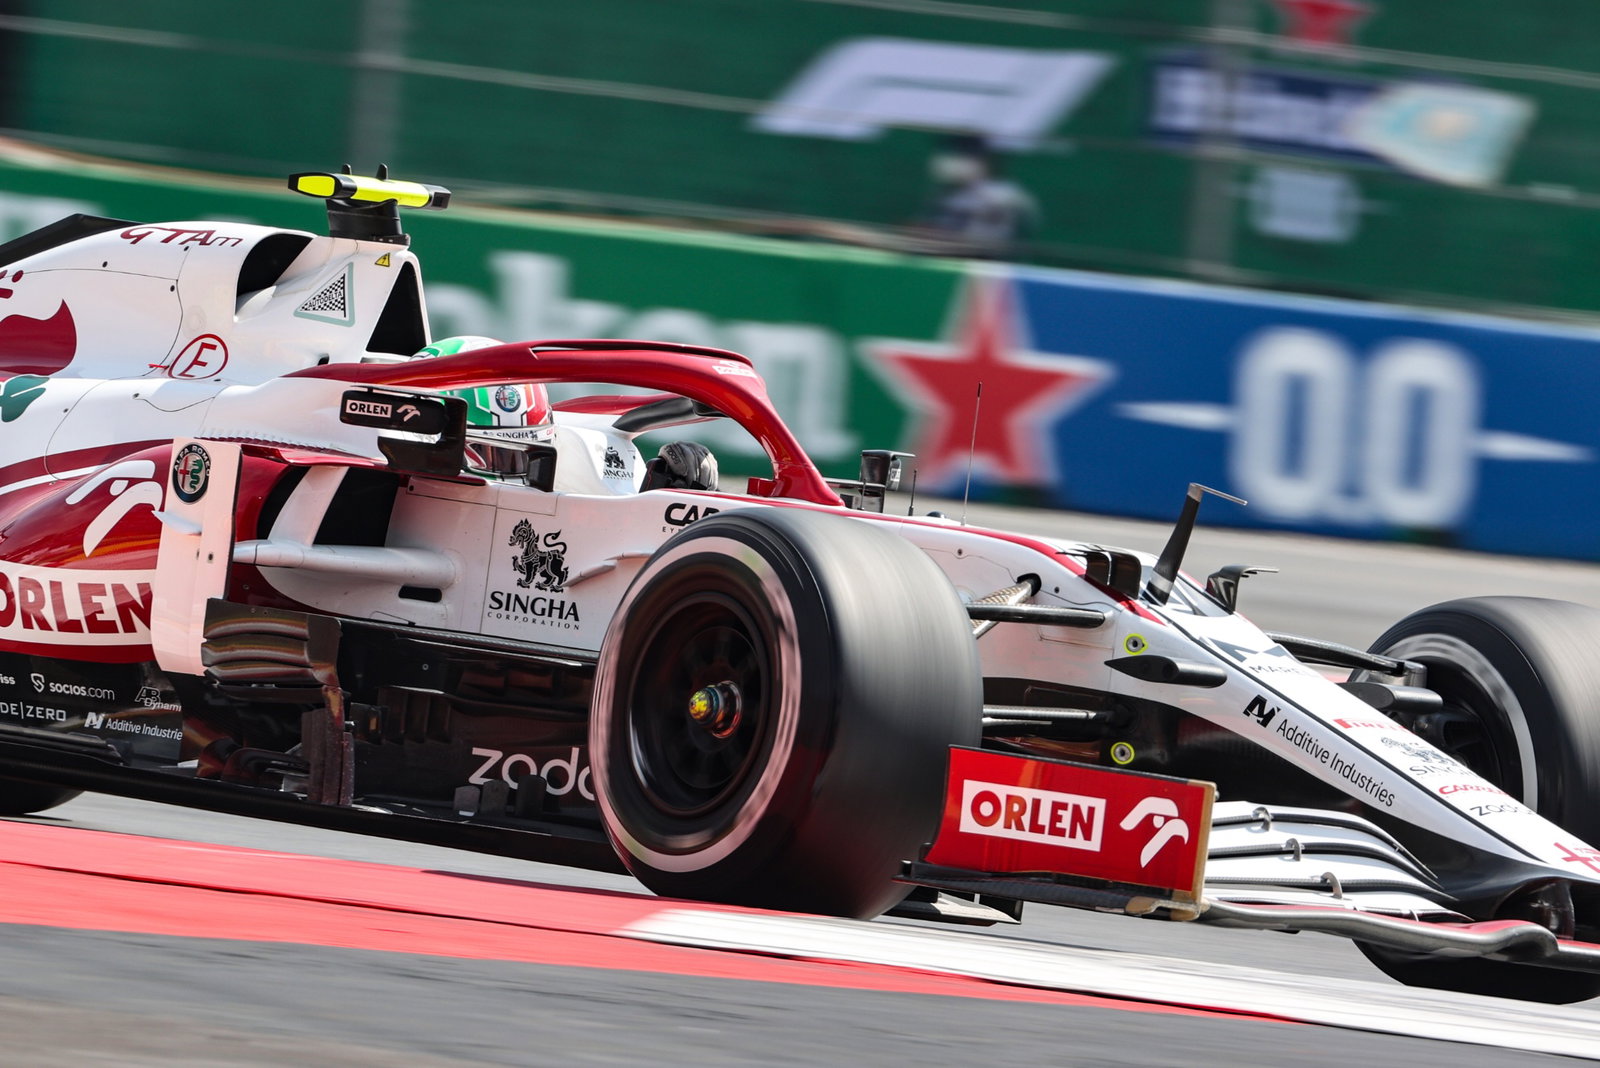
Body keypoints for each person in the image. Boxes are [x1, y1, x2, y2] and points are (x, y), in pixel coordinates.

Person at [920, 134, 1039, 253]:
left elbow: (984, 244)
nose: (946, 162)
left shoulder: (1002, 197)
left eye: (958, 154)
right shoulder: (949, 193)